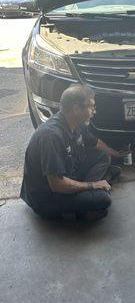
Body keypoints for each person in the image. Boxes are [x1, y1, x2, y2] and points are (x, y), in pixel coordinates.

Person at [21, 84, 125, 220]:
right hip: (47, 197)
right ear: (76, 109)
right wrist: (93, 185)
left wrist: (114, 153)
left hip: (69, 173)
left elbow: (95, 142)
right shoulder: (51, 136)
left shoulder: (75, 122)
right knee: (104, 200)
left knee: (103, 155)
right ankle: (94, 194)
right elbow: (57, 185)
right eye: (91, 106)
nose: (94, 111)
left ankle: (90, 193)